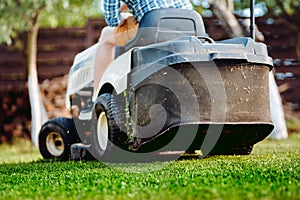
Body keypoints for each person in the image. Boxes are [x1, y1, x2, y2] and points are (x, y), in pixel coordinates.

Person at [93, 0, 193, 96]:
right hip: (189, 24)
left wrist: (123, 17)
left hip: (155, 27)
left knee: (106, 35)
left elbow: (112, 20)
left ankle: (98, 94)